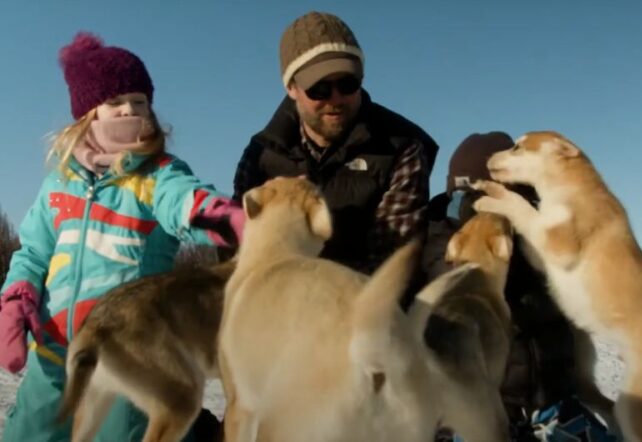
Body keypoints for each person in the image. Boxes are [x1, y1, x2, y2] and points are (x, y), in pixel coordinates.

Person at [0, 32, 243, 441]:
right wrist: (17, 295)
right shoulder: (59, 183)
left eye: (140, 101)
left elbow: (179, 198)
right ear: (87, 114)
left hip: (130, 350)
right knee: (30, 431)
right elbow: (35, 251)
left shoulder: (155, 173)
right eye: (115, 102)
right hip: (54, 346)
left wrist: (218, 216)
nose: (131, 109)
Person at [423, 132, 616, 442]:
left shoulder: (539, 232)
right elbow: (451, 273)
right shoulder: (444, 237)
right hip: (481, 411)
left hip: (554, 403)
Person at [229, 11, 439, 274]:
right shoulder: (260, 154)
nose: (336, 98)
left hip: (365, 305)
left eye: (348, 84)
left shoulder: (402, 148)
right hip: (275, 301)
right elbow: (235, 253)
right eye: (319, 88)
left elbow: (392, 267)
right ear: (291, 88)